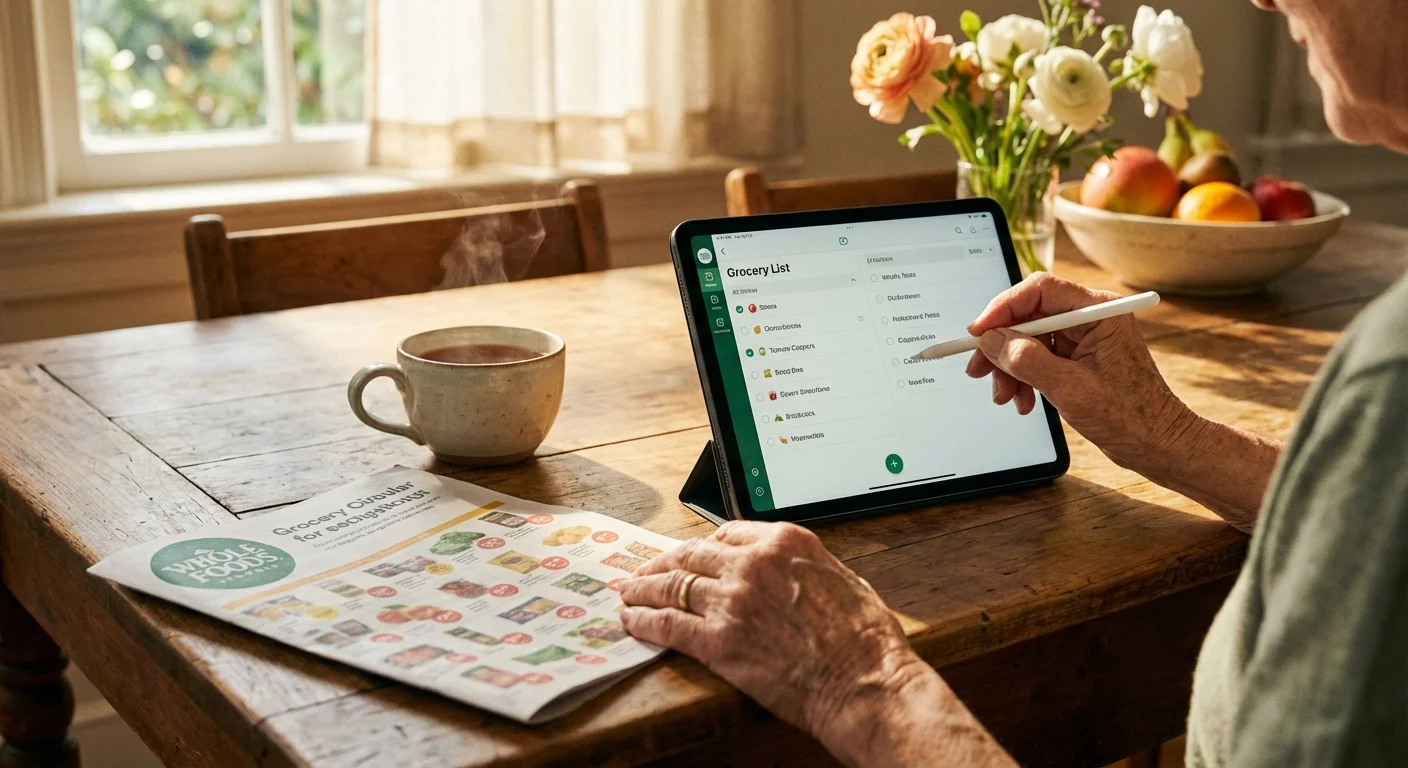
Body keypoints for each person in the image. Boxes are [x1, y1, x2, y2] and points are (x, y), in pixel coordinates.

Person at [619, 0, 1408, 764]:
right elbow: (1377, 517)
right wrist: (1166, 436)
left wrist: (860, 680)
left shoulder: (1390, 374)